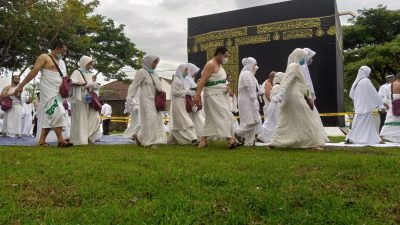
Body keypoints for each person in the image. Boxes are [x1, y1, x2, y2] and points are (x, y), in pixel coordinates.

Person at [14, 40, 72, 147]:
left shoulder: (61, 62)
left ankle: (41, 140)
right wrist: (21, 85)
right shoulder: (44, 57)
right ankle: (61, 140)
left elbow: (64, 77)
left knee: (49, 114)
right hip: (48, 90)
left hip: (57, 91)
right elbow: (34, 72)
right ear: (57, 49)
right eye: (64, 51)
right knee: (57, 111)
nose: (65, 53)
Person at [270, 48, 326, 149]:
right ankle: (313, 143)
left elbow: (305, 86)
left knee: (285, 121)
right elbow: (287, 81)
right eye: (302, 57)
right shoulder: (294, 66)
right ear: (298, 56)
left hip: (292, 98)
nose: (304, 59)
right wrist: (280, 95)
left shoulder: (297, 67)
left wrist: (309, 98)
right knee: (307, 118)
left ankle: (275, 142)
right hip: (295, 98)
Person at [193, 46, 241, 148]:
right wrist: (197, 95)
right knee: (223, 115)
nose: (226, 58)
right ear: (219, 54)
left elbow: (221, 80)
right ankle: (230, 140)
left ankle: (202, 141)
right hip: (212, 95)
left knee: (211, 119)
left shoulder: (220, 66)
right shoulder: (211, 64)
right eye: (225, 56)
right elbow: (203, 80)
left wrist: (226, 88)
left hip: (221, 95)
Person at [127, 54, 166, 148]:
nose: (155, 64)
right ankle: (150, 142)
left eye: (156, 62)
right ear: (148, 62)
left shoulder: (154, 73)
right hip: (146, 98)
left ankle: (140, 137)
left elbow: (159, 86)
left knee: (156, 119)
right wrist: (129, 98)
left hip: (155, 99)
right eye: (154, 62)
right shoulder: (141, 72)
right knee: (150, 118)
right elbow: (134, 85)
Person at [345, 66, 383, 144]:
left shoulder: (357, 82)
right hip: (365, 107)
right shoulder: (366, 81)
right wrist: (380, 104)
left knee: (358, 124)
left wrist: (358, 100)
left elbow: (351, 94)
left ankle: (352, 138)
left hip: (359, 107)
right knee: (365, 125)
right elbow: (373, 93)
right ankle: (352, 138)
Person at [69, 56, 101, 145]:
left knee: (94, 118)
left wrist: (94, 84)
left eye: (91, 64)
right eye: (89, 64)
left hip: (89, 99)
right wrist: (85, 84)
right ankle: (80, 140)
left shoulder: (90, 74)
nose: (90, 66)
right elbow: (72, 84)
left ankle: (88, 136)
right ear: (84, 63)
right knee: (81, 119)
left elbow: (93, 88)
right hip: (79, 99)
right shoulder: (76, 72)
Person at [234, 57, 262, 146]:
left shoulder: (250, 74)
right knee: (251, 120)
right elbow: (249, 88)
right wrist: (254, 100)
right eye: (254, 65)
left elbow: (254, 89)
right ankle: (238, 132)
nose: (255, 67)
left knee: (252, 120)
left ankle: (249, 142)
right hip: (246, 100)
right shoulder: (246, 73)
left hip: (249, 99)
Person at [168, 64, 198, 145]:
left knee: (178, 124)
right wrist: (186, 92)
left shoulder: (182, 80)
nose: (187, 72)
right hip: (178, 103)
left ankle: (171, 140)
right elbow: (174, 92)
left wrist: (190, 92)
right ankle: (194, 139)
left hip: (182, 103)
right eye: (185, 70)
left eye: (187, 70)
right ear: (181, 70)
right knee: (187, 122)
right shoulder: (176, 80)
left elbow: (184, 91)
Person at [257, 72, 284, 143]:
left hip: (271, 105)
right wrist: (272, 102)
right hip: (271, 105)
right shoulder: (271, 84)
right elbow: (268, 94)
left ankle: (266, 136)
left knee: (270, 121)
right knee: (271, 121)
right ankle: (263, 136)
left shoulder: (274, 86)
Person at [184, 63, 205, 140]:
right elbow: (187, 91)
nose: (195, 73)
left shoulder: (190, 79)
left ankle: (199, 134)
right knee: (192, 119)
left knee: (197, 118)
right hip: (189, 100)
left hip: (193, 99)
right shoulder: (186, 79)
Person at [380, 72, 400, 143]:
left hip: (391, 106)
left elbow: (384, 98)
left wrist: (385, 105)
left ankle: (381, 137)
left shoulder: (389, 86)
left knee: (388, 122)